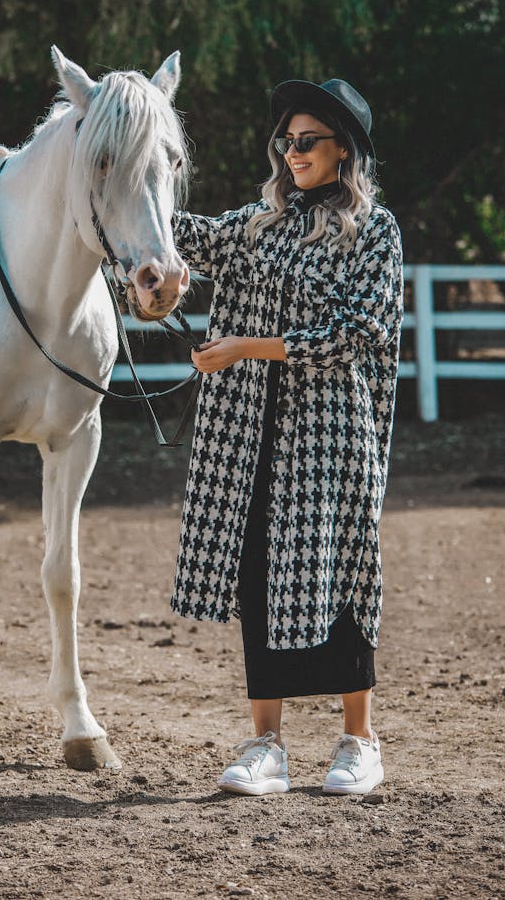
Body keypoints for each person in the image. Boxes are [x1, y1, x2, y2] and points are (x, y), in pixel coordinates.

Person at [170, 77, 403, 796]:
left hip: (331, 439)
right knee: (257, 577)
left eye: (307, 141)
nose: (292, 152)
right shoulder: (257, 223)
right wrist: (123, 180)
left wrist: (245, 345)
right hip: (246, 437)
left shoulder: (375, 231)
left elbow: (356, 334)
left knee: (340, 574)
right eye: (286, 141)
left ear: (345, 150)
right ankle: (266, 744)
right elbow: (186, 237)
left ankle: (359, 740)